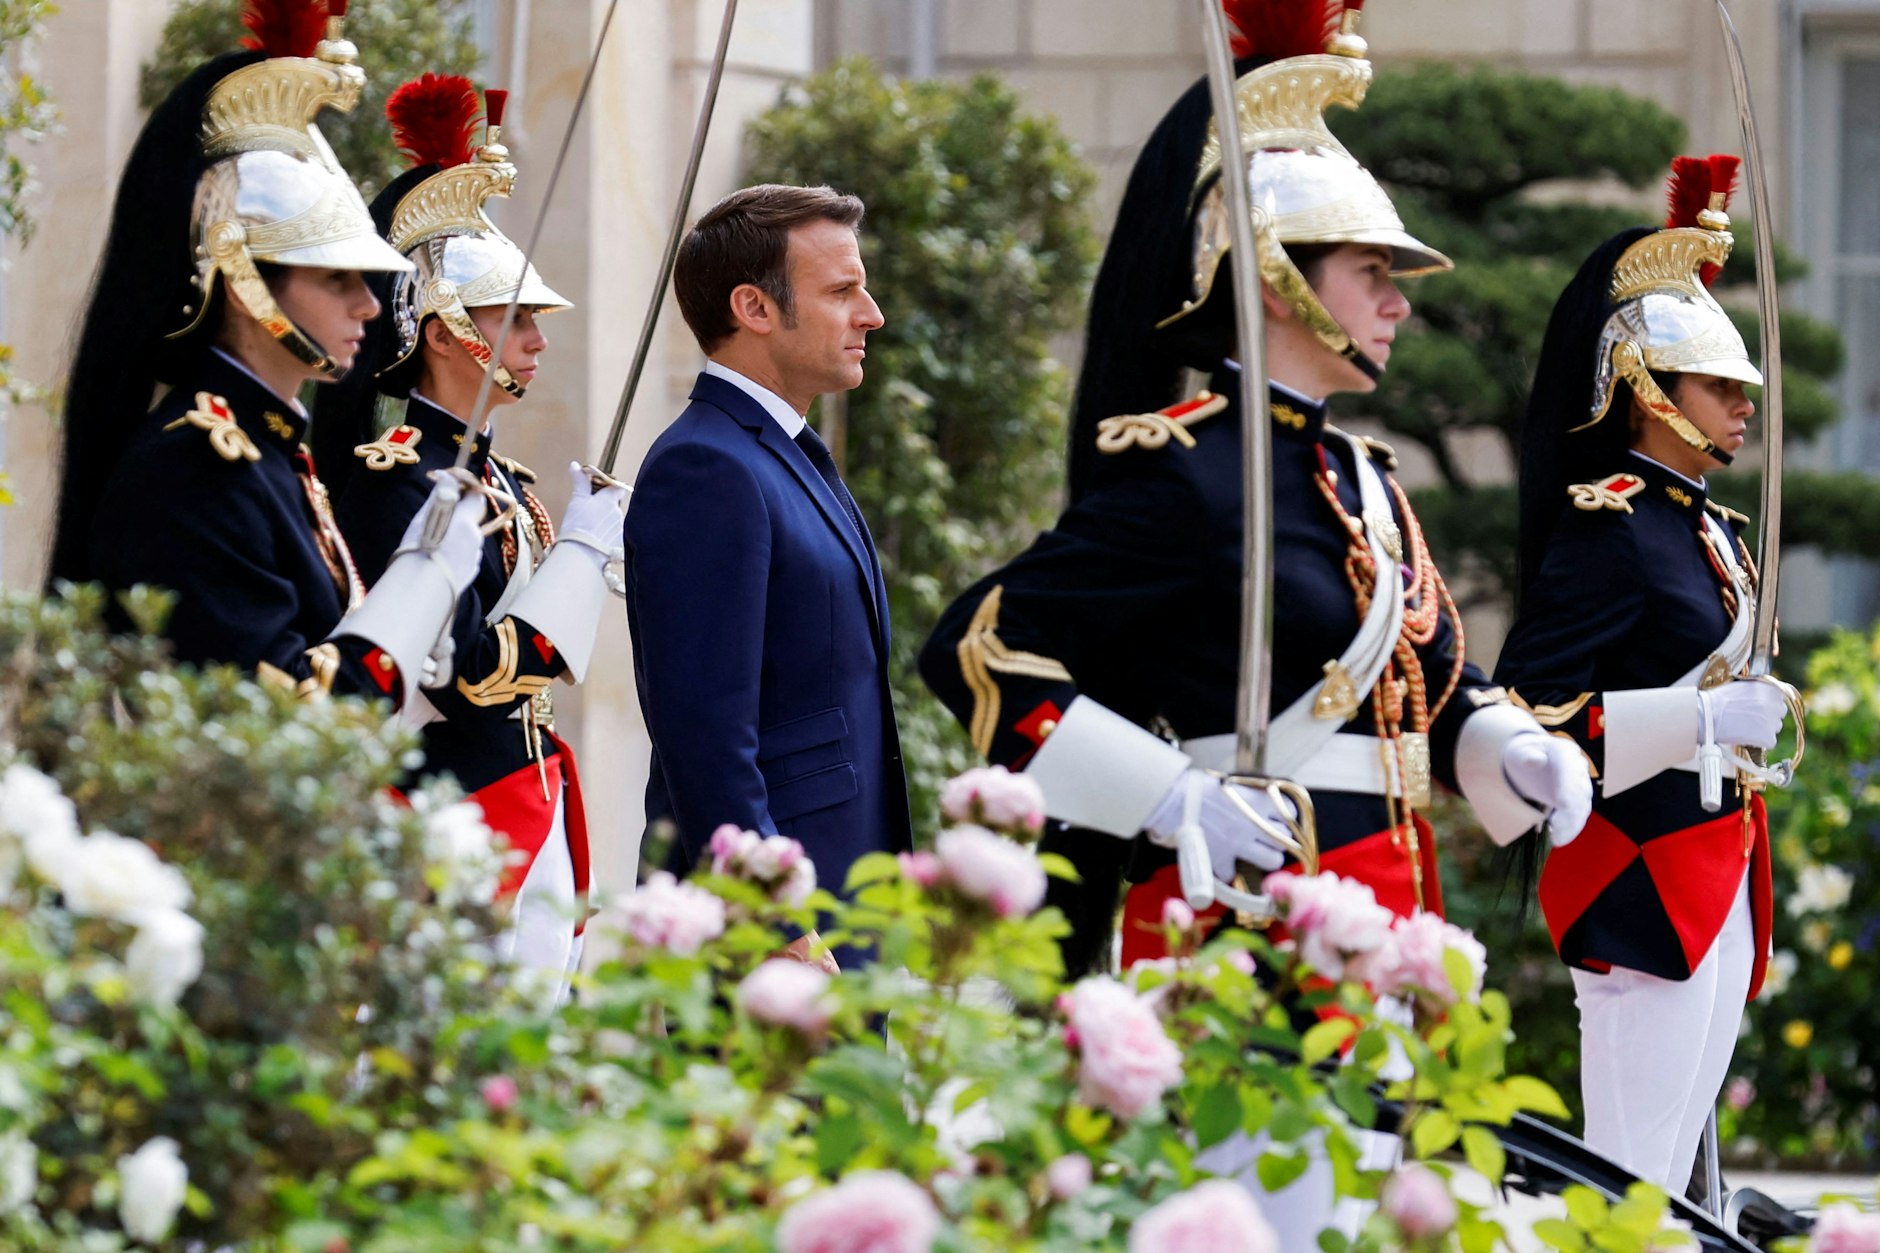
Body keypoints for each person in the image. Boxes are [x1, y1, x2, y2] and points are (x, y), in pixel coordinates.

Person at [918, 2, 1593, 978]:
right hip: (1239, 907)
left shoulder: (1363, 479)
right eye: (1370, 271)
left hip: (1388, 899)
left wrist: (1504, 739)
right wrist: (1163, 797)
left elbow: (1428, 684)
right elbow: (977, 648)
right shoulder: (1184, 473)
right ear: (1278, 282)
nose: (1398, 302)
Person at [1493, 154, 1793, 1190]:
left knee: (1673, 1184)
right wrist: (1701, 721)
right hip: (1635, 870)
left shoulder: (1708, 529)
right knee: (1629, 1182)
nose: (1741, 405)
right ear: (1644, 385)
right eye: (1719, 385)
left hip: (1716, 858)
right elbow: (1529, 712)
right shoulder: (1607, 528)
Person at [47, 0, 484, 707]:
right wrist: (420, 585)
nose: (368, 307)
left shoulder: (274, 455)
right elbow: (282, 720)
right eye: (336, 278)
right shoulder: (195, 469)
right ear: (246, 283)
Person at [317, 73, 622, 990]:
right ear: (446, 329)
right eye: (513, 315)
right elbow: (467, 673)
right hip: (462, 808)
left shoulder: (502, 477)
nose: (535, 337)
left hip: (536, 793)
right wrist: (577, 562)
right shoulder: (398, 477)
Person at [624, 184, 912, 968]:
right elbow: (705, 733)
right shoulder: (706, 465)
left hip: (840, 888)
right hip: (766, 929)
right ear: (754, 306)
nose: (871, 314)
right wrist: (774, 921)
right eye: (842, 291)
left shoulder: (781, 450)